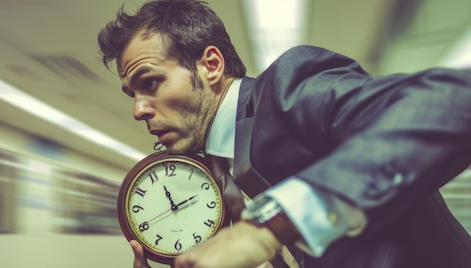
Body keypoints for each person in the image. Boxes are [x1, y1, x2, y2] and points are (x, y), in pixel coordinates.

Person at [97, 0, 471, 267]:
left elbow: (455, 102)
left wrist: (269, 229)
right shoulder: (215, 176)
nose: (138, 110)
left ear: (211, 66)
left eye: (151, 82)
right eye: (133, 94)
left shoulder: (288, 89)